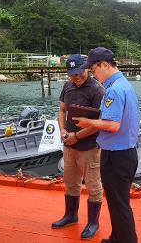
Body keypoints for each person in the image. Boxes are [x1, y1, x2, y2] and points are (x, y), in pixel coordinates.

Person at [74, 47, 140, 243]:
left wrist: (89, 122)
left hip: (117, 156)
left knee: (120, 205)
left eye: (93, 70)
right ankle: (116, 238)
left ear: (104, 65)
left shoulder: (114, 90)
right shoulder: (123, 84)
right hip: (123, 153)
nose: (93, 75)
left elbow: (112, 125)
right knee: (116, 202)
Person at [52, 54, 105, 239]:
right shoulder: (67, 86)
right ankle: (71, 215)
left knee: (93, 185)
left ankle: (93, 222)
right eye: (73, 74)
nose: (77, 77)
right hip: (69, 143)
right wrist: (62, 130)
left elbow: (99, 121)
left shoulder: (97, 90)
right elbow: (61, 110)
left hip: (90, 146)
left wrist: (77, 136)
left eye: (80, 73)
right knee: (70, 182)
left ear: (87, 68)